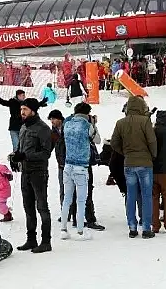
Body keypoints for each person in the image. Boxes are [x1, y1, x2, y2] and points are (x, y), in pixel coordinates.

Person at [9, 98, 53, 253]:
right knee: (28, 207)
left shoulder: (43, 129)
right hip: (25, 172)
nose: (22, 112)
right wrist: (15, 157)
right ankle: (31, 239)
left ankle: (46, 241)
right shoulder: (23, 127)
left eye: (25, 110)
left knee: (41, 206)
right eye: (21, 109)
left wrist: (26, 156)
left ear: (33, 111)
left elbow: (46, 153)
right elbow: (21, 149)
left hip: (38, 173)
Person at [110, 95, 157, 239]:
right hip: (145, 164)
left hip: (129, 164)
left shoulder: (120, 123)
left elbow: (113, 143)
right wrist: (152, 155)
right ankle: (147, 228)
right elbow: (152, 141)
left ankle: (132, 227)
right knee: (146, 196)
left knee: (131, 195)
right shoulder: (145, 121)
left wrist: (125, 152)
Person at [59, 102, 99, 240]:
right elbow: (97, 140)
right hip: (81, 167)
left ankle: (64, 229)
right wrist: (94, 124)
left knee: (67, 199)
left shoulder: (67, 124)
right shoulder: (87, 126)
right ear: (87, 113)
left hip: (67, 165)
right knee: (81, 200)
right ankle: (80, 231)